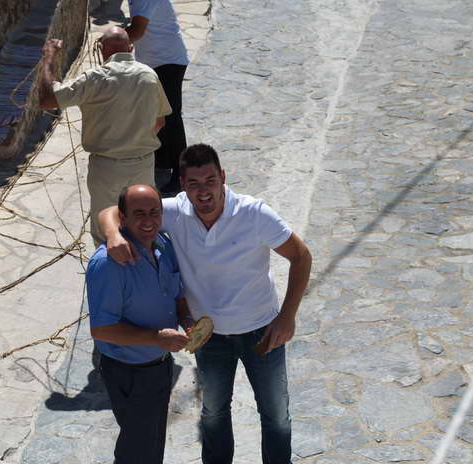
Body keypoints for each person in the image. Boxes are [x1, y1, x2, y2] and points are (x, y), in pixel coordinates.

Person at [99, 144, 313, 464]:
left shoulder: (254, 214)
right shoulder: (174, 211)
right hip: (208, 337)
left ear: (223, 177)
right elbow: (111, 212)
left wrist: (288, 316)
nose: (203, 191)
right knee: (213, 413)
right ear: (182, 185)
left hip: (263, 330)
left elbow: (301, 256)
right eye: (194, 183)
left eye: (210, 180)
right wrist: (113, 235)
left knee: (276, 414)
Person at [87, 184, 193, 464]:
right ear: (122, 218)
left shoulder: (164, 245)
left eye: (154, 212)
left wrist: (187, 321)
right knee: (137, 450)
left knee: (151, 445)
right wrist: (156, 338)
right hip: (129, 373)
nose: (148, 221)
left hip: (160, 365)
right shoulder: (109, 264)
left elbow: (177, 295)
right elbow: (101, 329)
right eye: (139, 214)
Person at [38, 27, 172, 244]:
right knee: (143, 227)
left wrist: (49, 58)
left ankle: (110, 266)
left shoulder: (94, 78)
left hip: (107, 168)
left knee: (107, 233)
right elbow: (160, 121)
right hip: (143, 165)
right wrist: (134, 138)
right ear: (131, 48)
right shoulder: (149, 75)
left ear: (101, 49)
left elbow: (47, 100)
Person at [126, 0, 189, 195]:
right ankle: (162, 165)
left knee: (171, 118)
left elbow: (137, 31)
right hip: (154, 62)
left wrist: (112, 39)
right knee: (155, 114)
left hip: (167, 60)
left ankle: (182, 175)